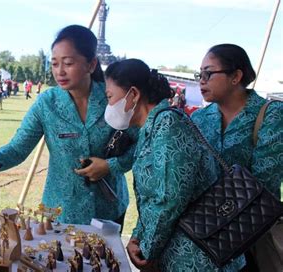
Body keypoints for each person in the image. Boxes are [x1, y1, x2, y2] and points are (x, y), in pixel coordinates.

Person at [0, 25, 137, 226]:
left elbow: (141, 144)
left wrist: (110, 166)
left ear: (91, 64)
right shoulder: (47, 104)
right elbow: (17, 150)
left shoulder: (112, 99)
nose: (59, 71)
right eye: (54, 64)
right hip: (61, 212)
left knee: (105, 258)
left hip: (108, 210)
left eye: (68, 63)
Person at [102, 59, 244, 271]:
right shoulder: (151, 128)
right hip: (180, 255)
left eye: (110, 97)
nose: (109, 105)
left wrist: (147, 250)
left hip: (200, 259)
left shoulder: (168, 125)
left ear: (133, 94)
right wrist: (138, 236)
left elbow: (169, 199)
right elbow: (151, 198)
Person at [192, 44, 283, 272]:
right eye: (199, 74)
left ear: (236, 76)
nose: (201, 80)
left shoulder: (271, 114)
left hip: (249, 238)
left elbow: (265, 183)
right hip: (200, 236)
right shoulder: (200, 118)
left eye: (209, 73)